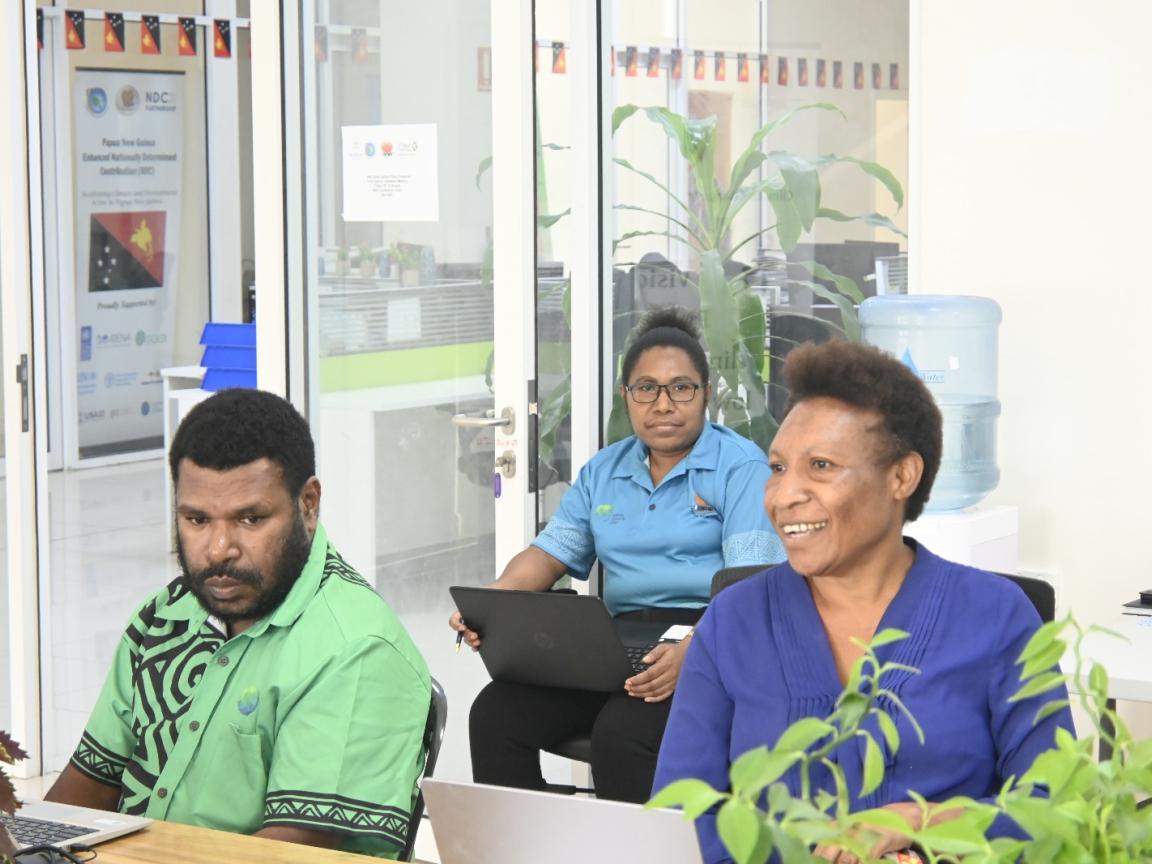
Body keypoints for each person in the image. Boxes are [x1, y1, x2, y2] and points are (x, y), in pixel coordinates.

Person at [653, 340, 1074, 864]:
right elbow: (679, 817)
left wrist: (923, 823)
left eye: (821, 465)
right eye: (778, 468)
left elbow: (1055, 810)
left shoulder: (997, 615)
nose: (784, 496)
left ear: (901, 477)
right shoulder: (732, 620)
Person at [46, 388, 431, 859]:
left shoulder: (354, 647)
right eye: (197, 519)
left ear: (308, 504)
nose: (218, 549)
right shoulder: (165, 616)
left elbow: (289, 853)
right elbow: (87, 787)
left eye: (250, 519)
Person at [453, 306, 785, 803]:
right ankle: (520, 843)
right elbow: (547, 556)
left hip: (708, 643)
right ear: (627, 396)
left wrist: (696, 650)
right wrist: (491, 600)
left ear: (706, 394)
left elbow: (750, 587)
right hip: (614, 647)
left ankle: (640, 844)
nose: (663, 404)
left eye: (681, 388)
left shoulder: (740, 468)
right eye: (646, 388)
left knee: (621, 734)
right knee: (496, 714)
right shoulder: (604, 471)